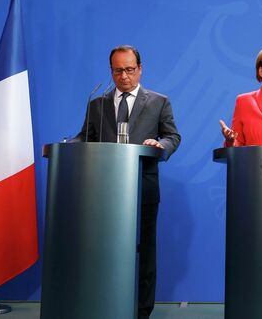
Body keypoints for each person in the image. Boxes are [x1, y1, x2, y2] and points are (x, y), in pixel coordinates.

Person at [74, 45, 181, 319]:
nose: (124, 76)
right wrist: (67, 146)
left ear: (140, 69)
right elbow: (85, 136)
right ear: (111, 71)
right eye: (118, 70)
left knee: (144, 252)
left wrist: (160, 144)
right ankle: (104, 303)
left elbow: (173, 136)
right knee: (104, 250)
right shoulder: (97, 104)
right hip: (104, 191)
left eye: (129, 70)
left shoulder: (158, 101)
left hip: (142, 186)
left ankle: (142, 310)